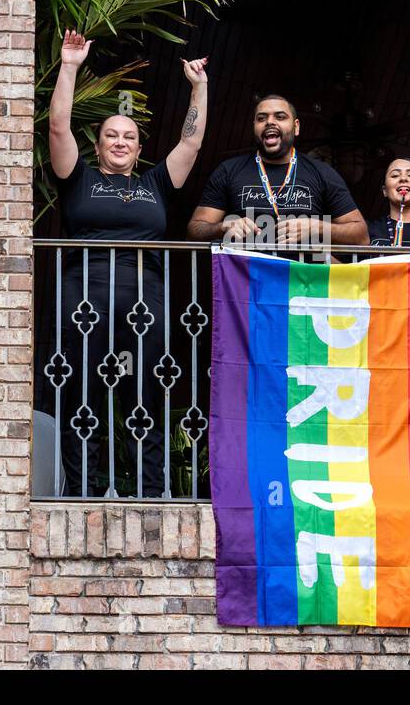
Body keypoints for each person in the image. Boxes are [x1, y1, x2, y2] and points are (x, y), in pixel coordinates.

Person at [49, 28, 210, 498]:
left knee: (149, 395)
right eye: (111, 136)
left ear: (140, 149)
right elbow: (58, 126)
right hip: (83, 298)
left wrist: (198, 87)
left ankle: (149, 488)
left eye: (129, 137)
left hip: (148, 301)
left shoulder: (154, 185)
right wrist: (70, 66)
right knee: (83, 397)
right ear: (97, 147)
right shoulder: (77, 179)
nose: (120, 142)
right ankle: (81, 491)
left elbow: (191, 144)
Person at [185, 95, 369, 248]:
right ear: (254, 127)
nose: (269, 122)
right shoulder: (229, 171)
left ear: (296, 127)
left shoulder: (321, 172)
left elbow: (362, 237)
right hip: (248, 283)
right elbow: (194, 231)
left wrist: (317, 228)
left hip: (304, 285)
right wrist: (222, 227)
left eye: (280, 117)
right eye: (261, 118)